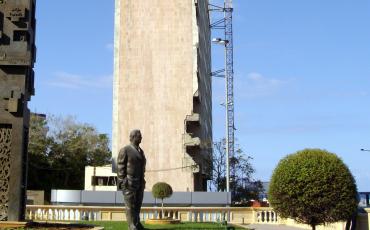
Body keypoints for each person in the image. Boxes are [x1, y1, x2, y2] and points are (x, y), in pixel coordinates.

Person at [117, 129, 146, 230]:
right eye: (139, 136)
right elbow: (120, 167)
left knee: (138, 205)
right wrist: (122, 180)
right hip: (129, 182)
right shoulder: (125, 150)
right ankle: (131, 225)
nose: (141, 138)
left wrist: (143, 180)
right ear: (133, 137)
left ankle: (137, 223)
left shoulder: (141, 152)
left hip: (139, 183)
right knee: (130, 206)